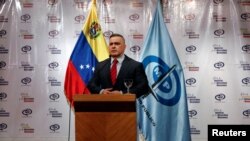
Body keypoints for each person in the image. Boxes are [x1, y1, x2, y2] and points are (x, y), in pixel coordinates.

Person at [87, 33, 149, 98]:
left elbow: (144, 87)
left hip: (126, 106)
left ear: (124, 47)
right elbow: (91, 84)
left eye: (117, 44)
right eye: (111, 44)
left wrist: (122, 93)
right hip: (104, 105)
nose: (113, 46)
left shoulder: (135, 65)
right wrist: (101, 91)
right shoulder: (100, 65)